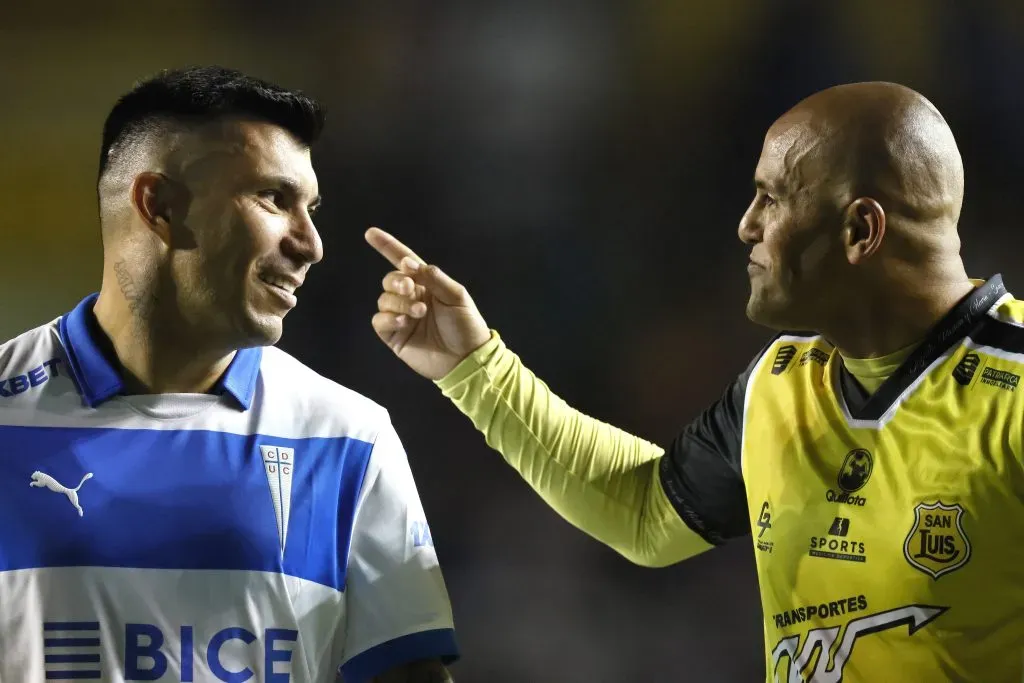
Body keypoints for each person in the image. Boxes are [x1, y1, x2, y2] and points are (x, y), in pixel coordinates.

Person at [367, 81, 1024, 682]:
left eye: (773, 196)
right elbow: (647, 511)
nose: (747, 224)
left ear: (860, 229)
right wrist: (477, 366)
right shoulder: (780, 382)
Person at [0, 66, 458, 683]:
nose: (312, 243)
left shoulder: (347, 438)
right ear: (157, 205)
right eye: (275, 198)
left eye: (311, 207)